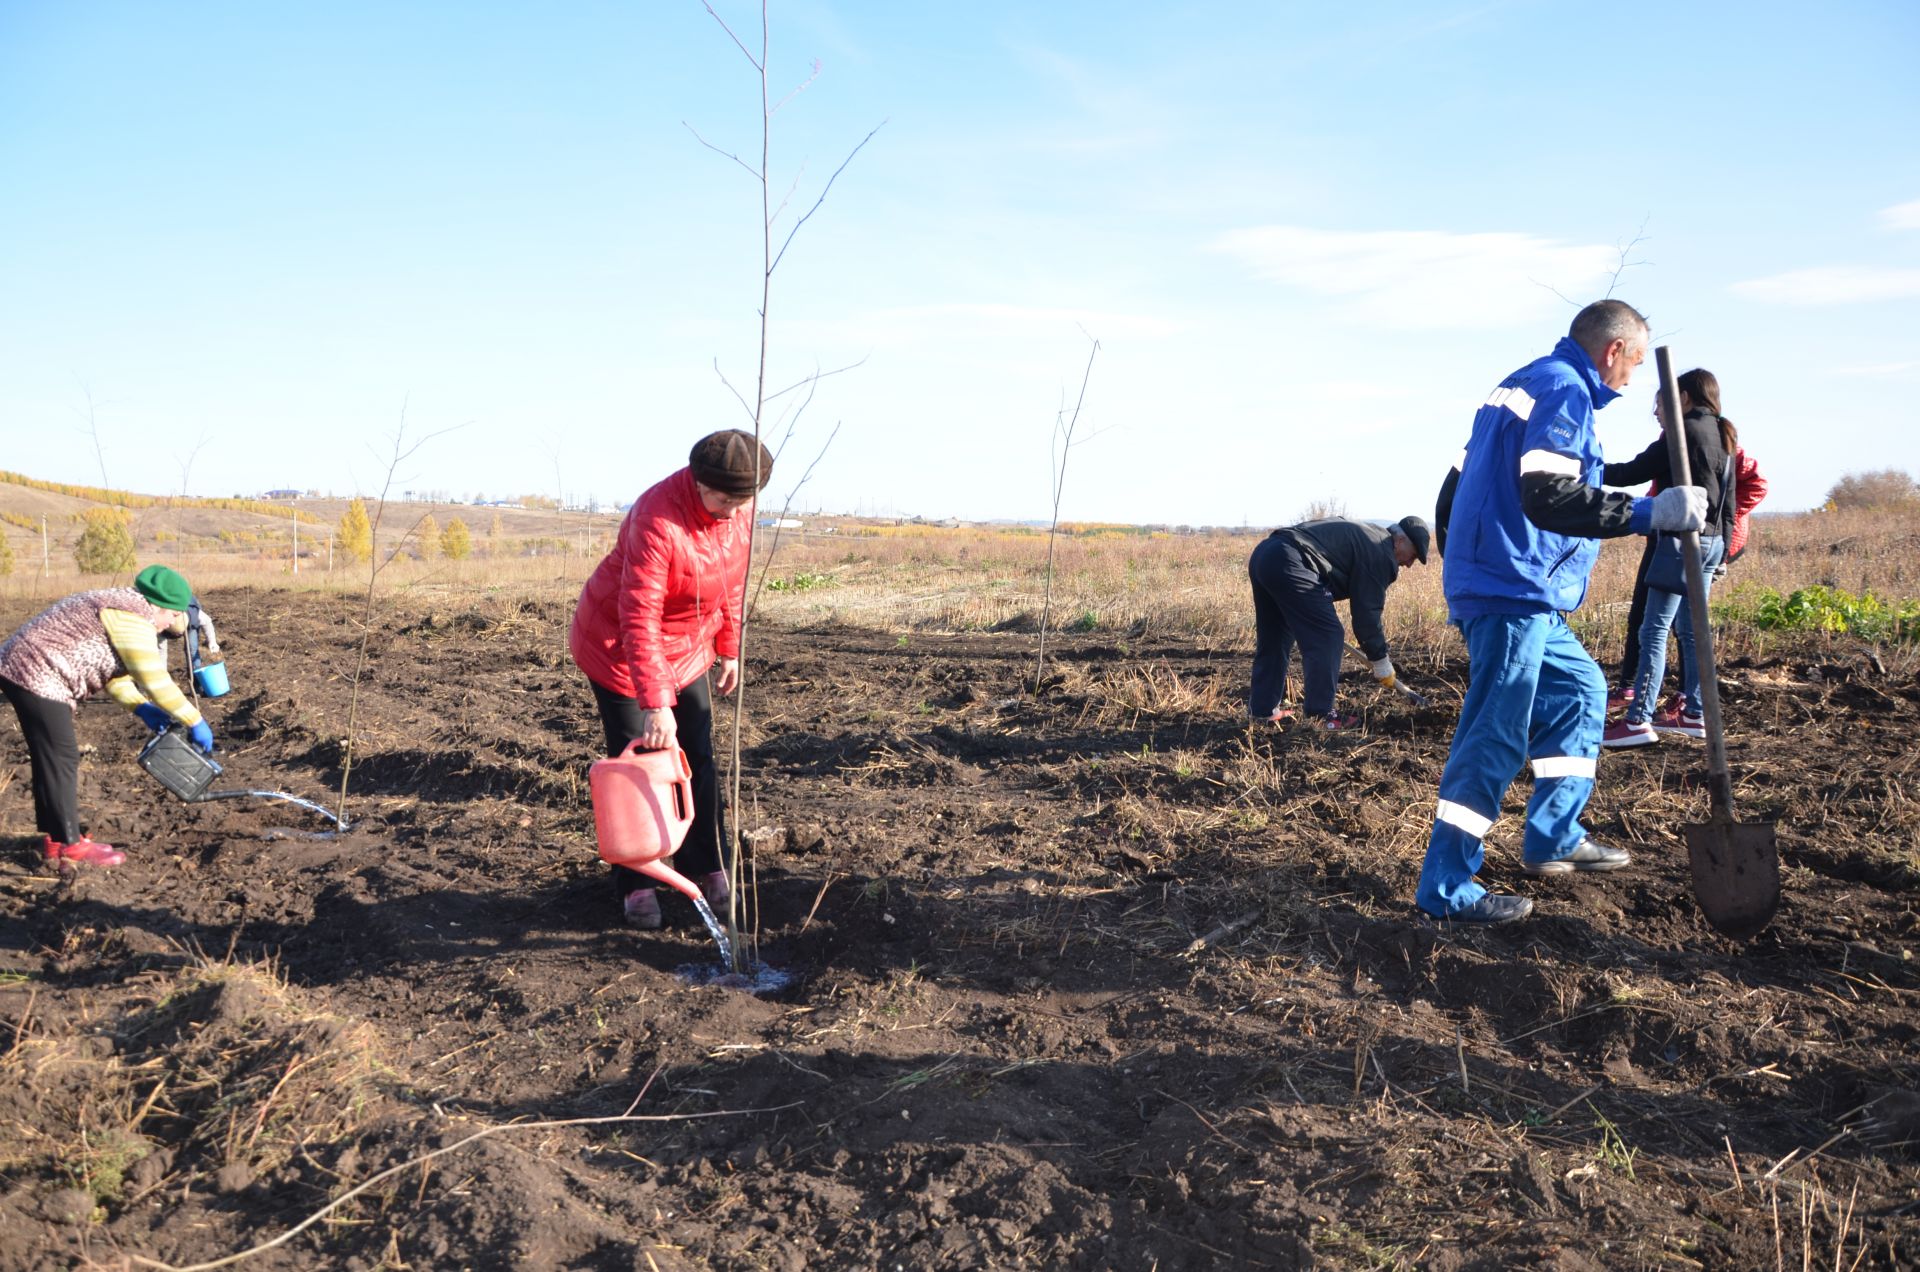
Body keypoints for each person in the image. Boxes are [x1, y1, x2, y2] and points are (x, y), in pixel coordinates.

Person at [1416, 301, 1707, 924]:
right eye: (1633, 364)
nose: (1632, 381)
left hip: (1516, 589)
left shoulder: (1524, 384)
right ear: (1614, 352)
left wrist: (1466, 560)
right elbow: (1549, 496)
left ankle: (1554, 835)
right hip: (1510, 592)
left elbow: (1454, 485)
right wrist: (1646, 514)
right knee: (1495, 735)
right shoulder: (1564, 392)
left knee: (1581, 689)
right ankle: (1445, 887)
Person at [569, 429, 770, 929]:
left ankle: (707, 868)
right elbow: (639, 616)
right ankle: (638, 882)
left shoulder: (738, 515)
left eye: (743, 501)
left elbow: (734, 584)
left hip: (687, 647)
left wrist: (729, 649)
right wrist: (656, 704)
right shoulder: (658, 519)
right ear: (699, 484)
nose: (732, 510)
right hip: (619, 645)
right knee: (640, 761)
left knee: (696, 756)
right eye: (725, 499)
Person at [0, 565, 218, 868]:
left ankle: (58, 838)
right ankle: (69, 845)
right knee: (61, 757)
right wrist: (195, 720)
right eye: (172, 615)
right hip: (37, 671)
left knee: (53, 758)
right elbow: (155, 679)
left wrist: (141, 707)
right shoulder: (133, 619)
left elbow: (111, 673)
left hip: (28, 666)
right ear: (160, 605)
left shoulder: (123, 607)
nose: (170, 623)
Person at [1601, 368, 1739, 747]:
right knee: (1692, 632)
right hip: (1711, 542)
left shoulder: (1682, 433)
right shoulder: (1724, 432)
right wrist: (1723, 550)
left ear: (1684, 398)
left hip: (1681, 542)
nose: (1658, 413)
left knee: (1653, 630)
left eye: (1660, 403)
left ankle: (1637, 720)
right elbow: (1729, 501)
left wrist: (1587, 467)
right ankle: (1695, 713)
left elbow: (1631, 472)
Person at [1247, 515, 1431, 729]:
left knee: (1275, 637)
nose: (1409, 564)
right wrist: (1380, 660)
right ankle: (1322, 716)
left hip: (1267, 554)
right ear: (1400, 541)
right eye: (1414, 555)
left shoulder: (1370, 535)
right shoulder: (1381, 552)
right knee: (1328, 635)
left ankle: (1262, 711)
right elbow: (1367, 615)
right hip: (1293, 560)